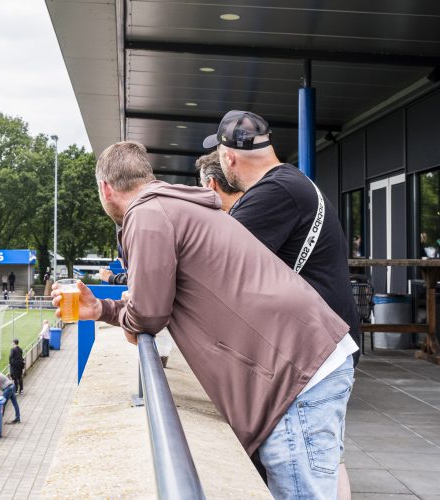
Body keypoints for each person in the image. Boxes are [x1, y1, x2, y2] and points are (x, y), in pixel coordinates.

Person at [53, 140, 356, 499]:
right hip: (308, 359)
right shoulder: (174, 205)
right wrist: (102, 310)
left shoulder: (146, 215)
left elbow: (148, 314)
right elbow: (155, 302)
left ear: (105, 189)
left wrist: (129, 320)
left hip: (295, 372)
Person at [203, 111, 361, 497]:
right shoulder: (292, 183)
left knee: (301, 485)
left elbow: (209, 262)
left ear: (228, 158)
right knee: (324, 469)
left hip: (309, 365)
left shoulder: (275, 193)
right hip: (327, 357)